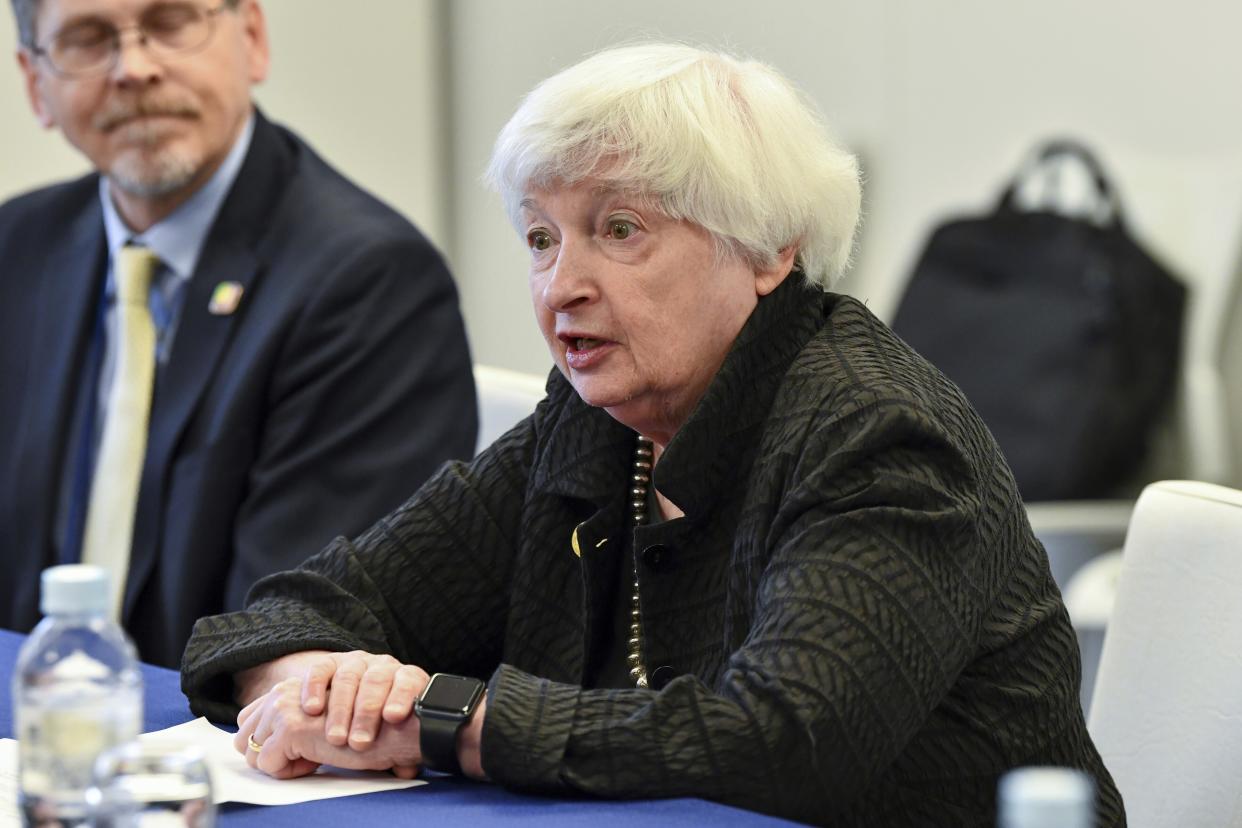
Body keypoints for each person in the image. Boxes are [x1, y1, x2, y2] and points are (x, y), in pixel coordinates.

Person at [180, 43, 1125, 826]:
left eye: (620, 229)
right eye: (541, 238)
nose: (561, 288)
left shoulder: (879, 436)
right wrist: (324, 688)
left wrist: (443, 720)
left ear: (766, 248)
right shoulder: (592, 422)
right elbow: (287, 610)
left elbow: (788, 744)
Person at [0, 0, 477, 668]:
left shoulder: (368, 284)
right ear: (34, 84)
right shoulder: (17, 249)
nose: (134, 68)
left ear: (251, 37)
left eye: (169, 22)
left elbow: (291, 636)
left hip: (226, 748)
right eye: (87, 39)